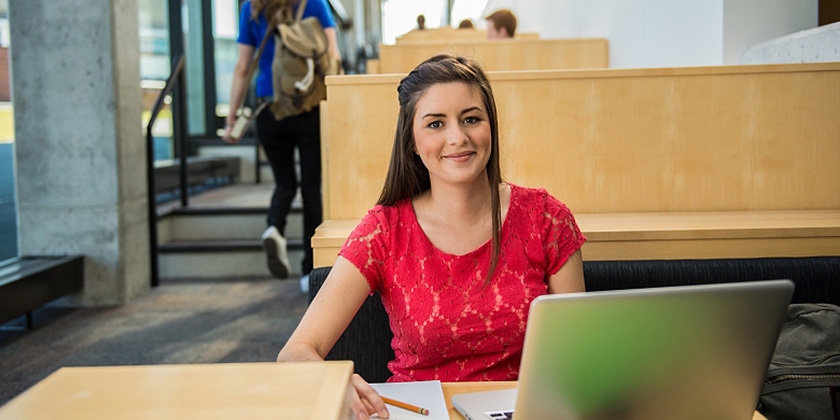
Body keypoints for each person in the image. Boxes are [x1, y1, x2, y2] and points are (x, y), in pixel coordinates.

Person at [276, 54, 586, 419]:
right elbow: (294, 353)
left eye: (471, 119)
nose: (458, 137)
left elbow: (579, 353)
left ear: (491, 127)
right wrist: (334, 383)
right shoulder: (384, 230)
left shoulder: (546, 218)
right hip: (418, 413)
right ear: (412, 141)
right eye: (436, 124)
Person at [223, 0, 341, 288]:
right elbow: (333, 56)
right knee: (311, 189)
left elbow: (243, 67)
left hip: (270, 107)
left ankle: (275, 226)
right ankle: (309, 271)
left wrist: (232, 116)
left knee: (285, 183)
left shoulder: (252, 7)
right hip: (308, 105)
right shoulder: (314, 3)